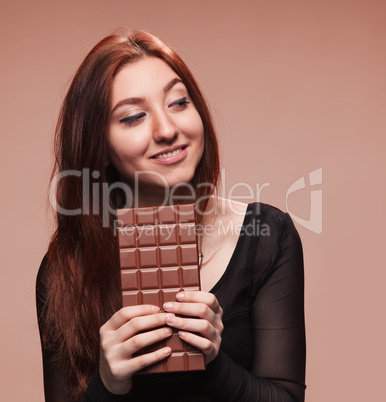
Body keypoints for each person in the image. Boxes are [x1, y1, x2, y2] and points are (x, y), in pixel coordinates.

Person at [36, 29, 306, 402]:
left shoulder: (267, 237)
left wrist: (214, 362)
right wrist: (107, 385)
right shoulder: (65, 271)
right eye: (133, 117)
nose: (167, 130)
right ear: (98, 146)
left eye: (178, 102)